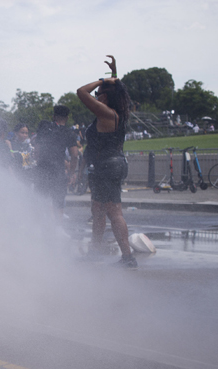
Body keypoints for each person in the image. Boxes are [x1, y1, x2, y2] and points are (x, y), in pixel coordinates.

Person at [76, 55, 136, 268]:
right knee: (99, 209)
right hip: (109, 165)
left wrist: (102, 80)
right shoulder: (114, 112)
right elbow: (116, 89)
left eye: (98, 94)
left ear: (105, 96)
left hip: (107, 166)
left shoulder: (106, 113)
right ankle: (96, 250)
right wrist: (113, 76)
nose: (95, 96)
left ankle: (128, 256)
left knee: (113, 211)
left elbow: (81, 92)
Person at [33, 107, 80, 221]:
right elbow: (74, 155)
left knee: (41, 200)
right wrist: (71, 173)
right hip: (58, 171)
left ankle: (40, 228)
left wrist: (40, 163)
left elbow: (37, 150)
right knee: (58, 202)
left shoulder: (44, 130)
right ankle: (57, 230)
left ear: (54, 117)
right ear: (67, 118)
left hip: (42, 170)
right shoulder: (69, 133)